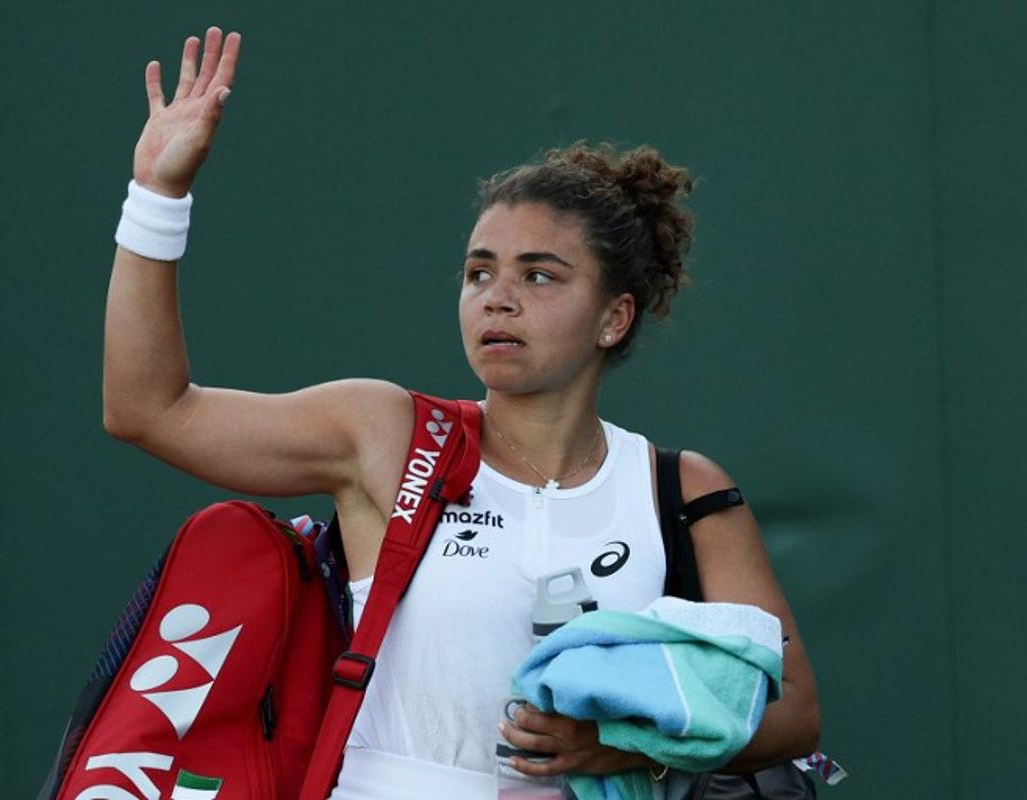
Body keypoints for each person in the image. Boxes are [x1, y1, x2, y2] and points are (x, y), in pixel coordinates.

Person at [103, 25, 820, 799]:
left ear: (614, 318)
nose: (498, 297)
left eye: (540, 276)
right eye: (480, 272)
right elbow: (149, 408)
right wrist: (158, 194)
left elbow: (793, 713)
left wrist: (623, 747)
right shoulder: (387, 435)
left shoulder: (680, 489)